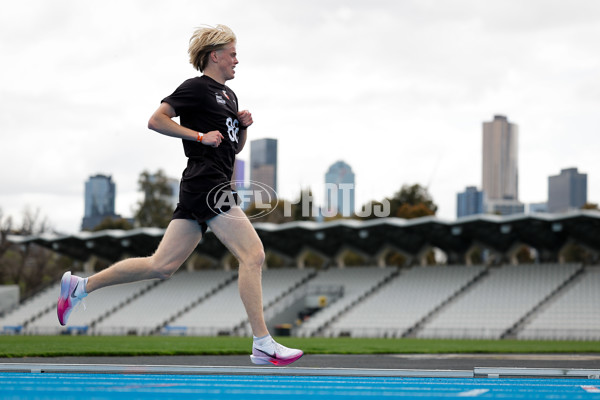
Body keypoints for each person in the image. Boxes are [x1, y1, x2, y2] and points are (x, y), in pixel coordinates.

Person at [57, 24, 303, 367]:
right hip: (206, 184)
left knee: (162, 266)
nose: (237, 60)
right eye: (232, 53)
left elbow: (232, 149)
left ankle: (81, 286)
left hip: (209, 183)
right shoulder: (196, 88)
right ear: (215, 55)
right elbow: (156, 120)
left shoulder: (229, 97)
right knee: (253, 255)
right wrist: (199, 136)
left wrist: (242, 127)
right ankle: (262, 342)